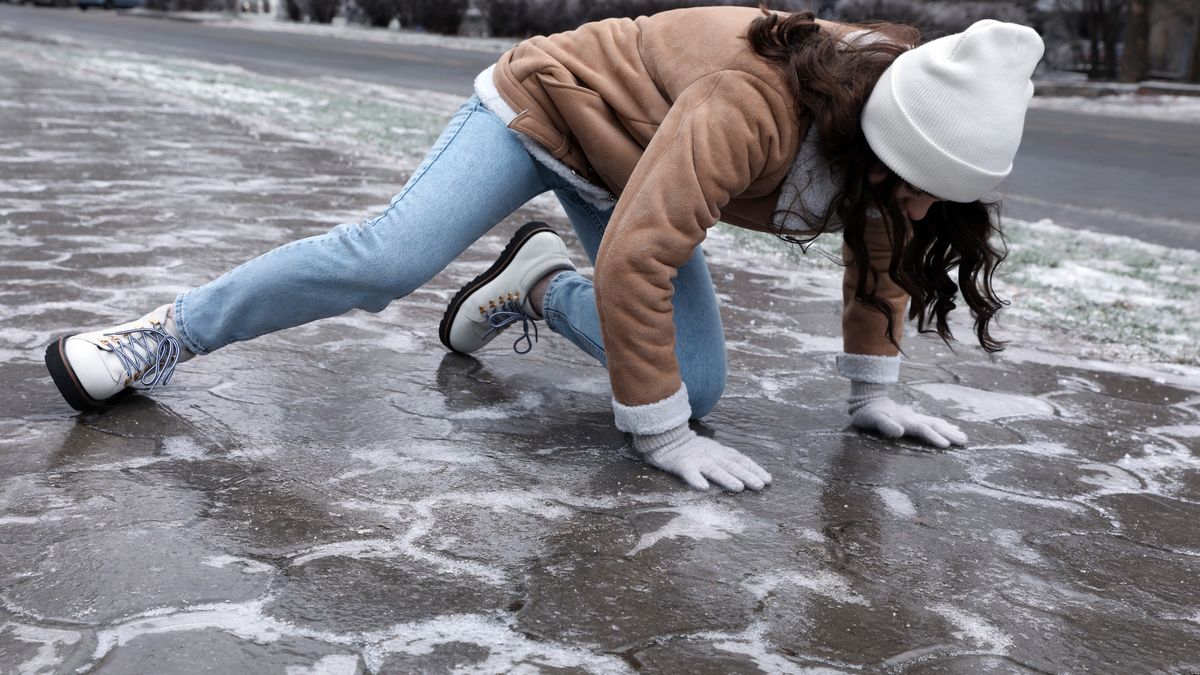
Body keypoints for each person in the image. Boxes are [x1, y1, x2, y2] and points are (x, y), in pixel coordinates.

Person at [43, 6, 1044, 493]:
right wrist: (657, 441)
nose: (922, 204)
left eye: (941, 193)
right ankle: (162, 333)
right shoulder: (756, 105)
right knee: (389, 260)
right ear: (874, 133)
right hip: (548, 109)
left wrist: (872, 394)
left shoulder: (909, 137)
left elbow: (883, 246)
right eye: (914, 179)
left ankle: (535, 282)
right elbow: (643, 256)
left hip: (638, 165)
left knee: (692, 385)